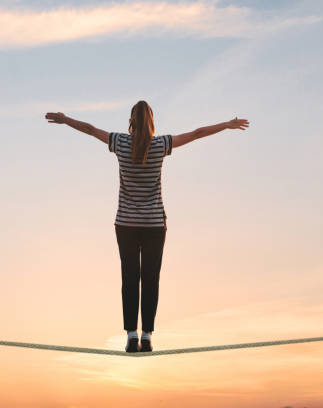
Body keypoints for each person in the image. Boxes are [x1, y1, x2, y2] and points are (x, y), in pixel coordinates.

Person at [45, 101, 249, 352]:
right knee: (150, 279)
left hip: (126, 223)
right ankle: (147, 335)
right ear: (152, 121)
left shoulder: (119, 142)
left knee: (130, 278)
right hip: (153, 225)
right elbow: (196, 134)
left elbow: (89, 129)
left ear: (131, 121)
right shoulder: (161, 144)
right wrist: (226, 125)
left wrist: (66, 120)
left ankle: (131, 334)